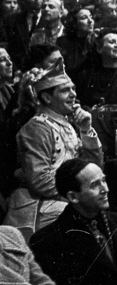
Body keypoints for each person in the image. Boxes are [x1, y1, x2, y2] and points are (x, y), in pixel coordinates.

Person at [4, 59, 103, 237]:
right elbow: (40, 181)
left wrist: (86, 130)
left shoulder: (68, 124)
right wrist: (80, 195)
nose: (73, 94)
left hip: (61, 200)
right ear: (47, 97)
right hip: (38, 208)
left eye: (73, 89)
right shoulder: (37, 128)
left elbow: (94, 168)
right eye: (65, 90)